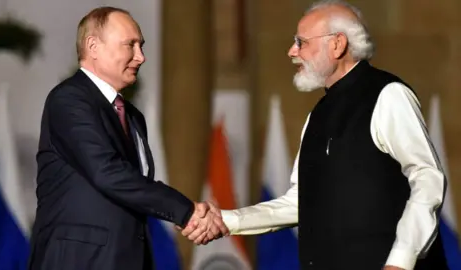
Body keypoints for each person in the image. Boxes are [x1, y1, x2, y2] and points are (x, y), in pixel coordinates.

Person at [181, 1, 449, 270]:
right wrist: (228, 221)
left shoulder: (388, 95)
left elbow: (427, 178)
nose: (291, 52)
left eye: (301, 42)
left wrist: (402, 259)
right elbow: (300, 201)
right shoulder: (316, 115)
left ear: (337, 44)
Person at [28, 7, 227, 270]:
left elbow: (135, 185)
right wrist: (186, 211)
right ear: (93, 46)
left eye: (141, 46)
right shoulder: (69, 100)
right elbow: (108, 172)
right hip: (79, 261)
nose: (141, 57)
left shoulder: (131, 115)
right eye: (130, 45)